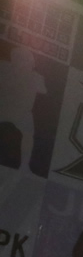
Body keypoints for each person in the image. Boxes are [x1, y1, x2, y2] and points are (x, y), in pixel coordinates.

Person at [0, 46, 46, 174]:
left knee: (28, 135)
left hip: (23, 113)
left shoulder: (36, 77)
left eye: (27, 61)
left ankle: (25, 165)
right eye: (19, 60)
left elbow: (43, 90)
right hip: (4, 107)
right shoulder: (4, 68)